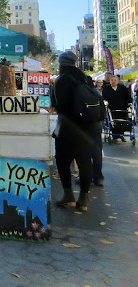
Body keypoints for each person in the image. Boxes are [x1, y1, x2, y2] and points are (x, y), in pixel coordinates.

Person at [50, 51, 95, 212]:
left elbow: (56, 104)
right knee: (84, 164)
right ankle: (83, 199)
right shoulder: (86, 79)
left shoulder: (60, 81)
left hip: (67, 128)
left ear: (62, 64)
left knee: (62, 162)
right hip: (86, 128)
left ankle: (68, 195)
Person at [102, 75, 132, 141]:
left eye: (115, 80)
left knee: (123, 122)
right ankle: (115, 136)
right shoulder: (106, 88)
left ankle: (120, 135)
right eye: (112, 80)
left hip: (122, 108)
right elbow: (104, 97)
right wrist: (105, 101)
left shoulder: (122, 88)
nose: (113, 82)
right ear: (109, 81)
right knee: (113, 122)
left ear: (118, 81)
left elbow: (128, 97)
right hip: (112, 108)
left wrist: (130, 102)